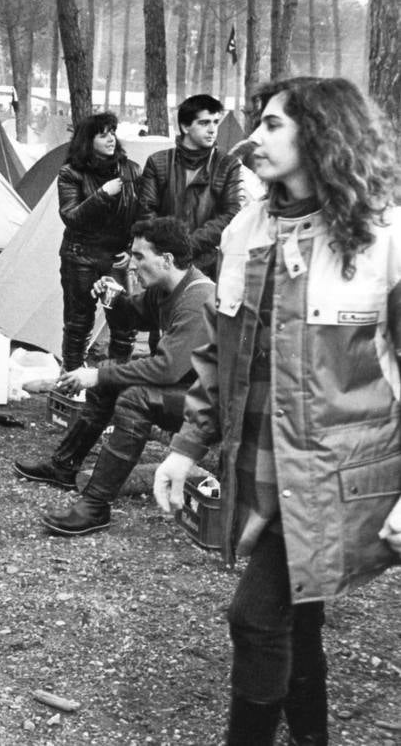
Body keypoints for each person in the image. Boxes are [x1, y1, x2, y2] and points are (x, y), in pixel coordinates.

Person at [152, 77, 401, 745]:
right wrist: (183, 447)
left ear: (321, 135)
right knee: (297, 615)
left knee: (254, 618)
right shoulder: (246, 229)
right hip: (258, 462)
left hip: (336, 475)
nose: (248, 140)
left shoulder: (384, 240)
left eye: (270, 126)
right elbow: (214, 357)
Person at [15, 217, 214, 535]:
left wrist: (98, 375)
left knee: (133, 398)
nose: (132, 265)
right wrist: (112, 298)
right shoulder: (166, 288)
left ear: (166, 260)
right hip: (192, 391)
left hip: (215, 408)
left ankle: (95, 506)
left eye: (139, 257)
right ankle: (64, 467)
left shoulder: (196, 300)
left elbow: (165, 368)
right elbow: (132, 316)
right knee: (109, 381)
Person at [57, 111, 142, 371]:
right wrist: (102, 195)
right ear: (87, 139)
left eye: (113, 132)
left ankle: (114, 381)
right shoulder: (71, 173)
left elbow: (142, 214)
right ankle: (72, 381)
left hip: (115, 258)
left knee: (123, 323)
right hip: (80, 256)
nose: (110, 139)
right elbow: (71, 216)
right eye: (102, 134)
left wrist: (132, 249)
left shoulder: (131, 169)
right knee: (78, 323)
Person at [138, 93, 244, 280]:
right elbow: (146, 210)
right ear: (185, 126)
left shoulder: (228, 165)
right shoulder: (159, 162)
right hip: (162, 262)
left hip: (205, 264)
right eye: (204, 123)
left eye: (215, 122)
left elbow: (231, 214)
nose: (213, 130)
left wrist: (188, 246)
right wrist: (166, 248)